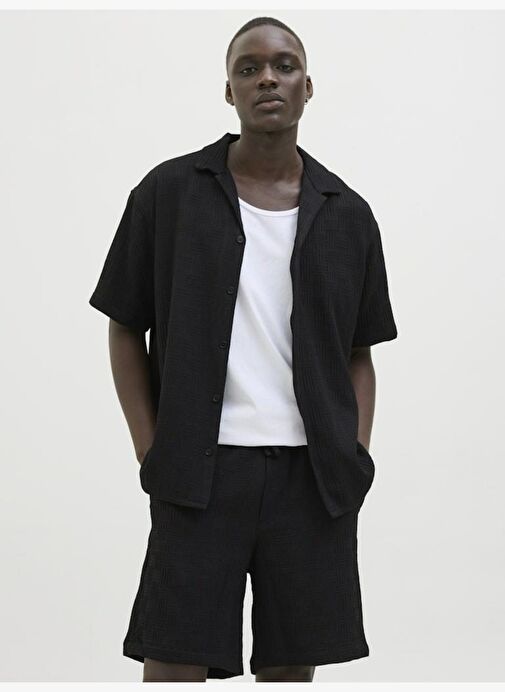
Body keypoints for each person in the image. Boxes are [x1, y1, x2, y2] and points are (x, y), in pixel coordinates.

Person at [89, 16, 398, 683]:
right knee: (173, 661)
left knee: (291, 668)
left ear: (307, 86)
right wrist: (151, 448)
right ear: (228, 90)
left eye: (284, 66)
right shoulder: (168, 194)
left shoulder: (347, 214)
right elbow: (123, 326)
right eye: (248, 68)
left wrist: (353, 456)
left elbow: (359, 352)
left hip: (312, 479)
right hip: (198, 475)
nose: (267, 79)